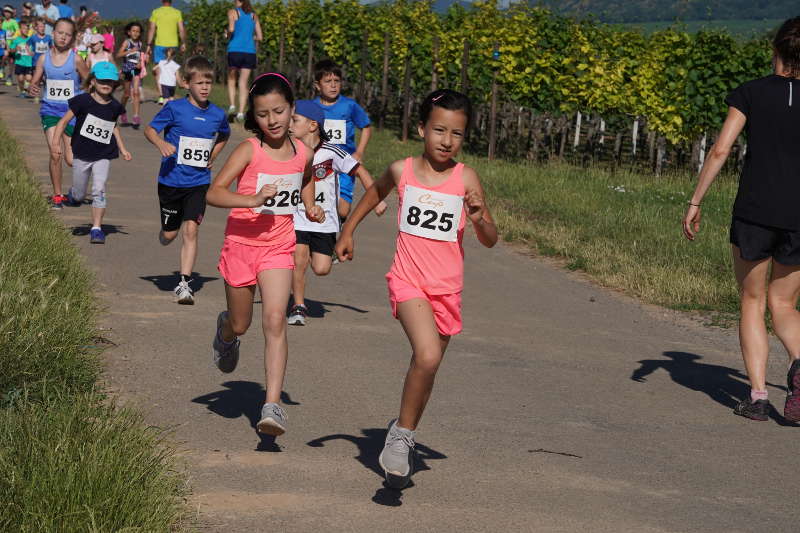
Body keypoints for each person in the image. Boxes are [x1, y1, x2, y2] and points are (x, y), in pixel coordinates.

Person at [335, 89, 498, 488]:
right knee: (425, 356)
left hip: (448, 290)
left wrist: (478, 219)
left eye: (456, 134)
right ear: (422, 129)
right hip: (408, 281)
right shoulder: (402, 170)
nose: (446, 140)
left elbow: (491, 238)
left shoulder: (466, 178)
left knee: (426, 368)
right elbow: (375, 192)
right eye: (439, 130)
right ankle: (401, 438)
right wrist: (348, 229)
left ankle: (401, 431)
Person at [683, 17, 800, 424]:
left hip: (754, 212)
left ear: (777, 51)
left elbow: (719, 150)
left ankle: (758, 397)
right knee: (784, 303)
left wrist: (696, 200)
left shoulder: (749, 93)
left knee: (752, 301)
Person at [206, 73, 323, 438]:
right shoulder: (249, 151)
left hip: (279, 245)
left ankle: (272, 405)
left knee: (275, 320)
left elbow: (304, 178)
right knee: (242, 323)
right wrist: (251, 200)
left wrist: (311, 206)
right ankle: (225, 333)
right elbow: (215, 193)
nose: (272, 120)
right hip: (242, 245)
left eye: (279, 111)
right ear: (253, 117)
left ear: (292, 111)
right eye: (262, 114)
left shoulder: (304, 151)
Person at [287, 99, 383, 326]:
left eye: (294, 120)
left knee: (321, 268)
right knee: (298, 260)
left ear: (312, 125)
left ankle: (321, 252)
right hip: (299, 216)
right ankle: (298, 306)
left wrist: (376, 199)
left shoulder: (332, 153)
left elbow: (360, 171)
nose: (289, 124)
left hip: (325, 222)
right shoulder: (290, 150)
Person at [144, 56, 230, 305]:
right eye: (199, 82)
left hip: (198, 182)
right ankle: (165, 232)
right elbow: (150, 130)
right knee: (170, 235)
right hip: (171, 181)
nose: (205, 87)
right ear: (186, 83)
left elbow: (224, 135)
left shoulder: (217, 114)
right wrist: (161, 143)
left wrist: (213, 155)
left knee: (191, 229)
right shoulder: (174, 108)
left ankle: (184, 283)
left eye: (209, 83)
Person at [51, 61, 131, 244]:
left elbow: (113, 127)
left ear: (115, 85)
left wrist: (123, 148)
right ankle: (73, 195)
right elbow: (63, 122)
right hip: (81, 153)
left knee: (99, 189)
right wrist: (56, 143)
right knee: (79, 195)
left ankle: (96, 228)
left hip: (103, 154)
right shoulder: (82, 101)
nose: (106, 84)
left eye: (110, 82)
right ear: (92, 81)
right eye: (102, 80)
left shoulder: (114, 106)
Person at [29, 17, 88, 209]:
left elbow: (90, 82)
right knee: (55, 153)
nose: (63, 37)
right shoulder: (44, 58)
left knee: (71, 161)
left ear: (72, 39)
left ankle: (76, 191)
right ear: (53, 33)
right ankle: (57, 196)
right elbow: (35, 81)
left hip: (72, 112)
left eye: (67, 35)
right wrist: (33, 87)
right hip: (50, 110)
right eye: (60, 33)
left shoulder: (76, 59)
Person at [313, 59, 373, 222]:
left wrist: (359, 151)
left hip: (345, 164)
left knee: (343, 211)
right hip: (320, 164)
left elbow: (366, 127)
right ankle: (322, 238)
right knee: (319, 204)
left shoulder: (349, 106)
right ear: (318, 85)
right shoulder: (312, 108)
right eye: (328, 81)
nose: (333, 85)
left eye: (336, 81)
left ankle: (336, 227)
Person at [225, 0, 261, 123]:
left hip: (235, 50)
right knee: (243, 82)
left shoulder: (233, 12)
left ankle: (232, 106)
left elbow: (231, 28)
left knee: (231, 79)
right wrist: (250, 37)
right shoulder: (253, 15)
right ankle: (240, 113)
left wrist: (227, 34)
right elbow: (260, 37)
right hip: (250, 52)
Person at [146, 0, 185, 99]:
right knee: (172, 70)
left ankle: (161, 94)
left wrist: (148, 44)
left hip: (160, 44)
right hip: (173, 44)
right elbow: (181, 29)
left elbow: (151, 29)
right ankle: (171, 95)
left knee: (158, 70)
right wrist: (183, 42)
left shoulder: (156, 12)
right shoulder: (177, 12)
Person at [117, 21, 143, 129]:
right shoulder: (127, 42)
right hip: (127, 69)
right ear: (129, 32)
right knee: (127, 94)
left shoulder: (140, 44)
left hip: (135, 70)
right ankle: (122, 111)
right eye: (133, 31)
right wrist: (130, 51)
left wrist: (140, 63)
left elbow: (139, 56)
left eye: (138, 31)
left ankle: (136, 116)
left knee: (136, 92)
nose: (136, 33)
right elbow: (118, 54)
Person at [10, 20, 33, 96]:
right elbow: (11, 50)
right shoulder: (16, 40)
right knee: (20, 79)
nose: (25, 30)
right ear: (20, 30)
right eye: (23, 28)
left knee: (29, 78)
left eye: (27, 29)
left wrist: (33, 53)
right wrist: (16, 48)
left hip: (29, 63)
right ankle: (22, 90)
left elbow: (34, 50)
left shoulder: (30, 39)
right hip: (19, 62)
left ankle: (26, 88)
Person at [2, 6, 19, 85]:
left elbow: (18, 31)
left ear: (11, 13)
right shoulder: (3, 22)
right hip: (4, 44)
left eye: (8, 12)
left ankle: (9, 76)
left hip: (12, 44)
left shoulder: (13, 22)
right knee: (4, 56)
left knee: (11, 61)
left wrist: (13, 34)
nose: (7, 14)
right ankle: (2, 68)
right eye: (5, 12)